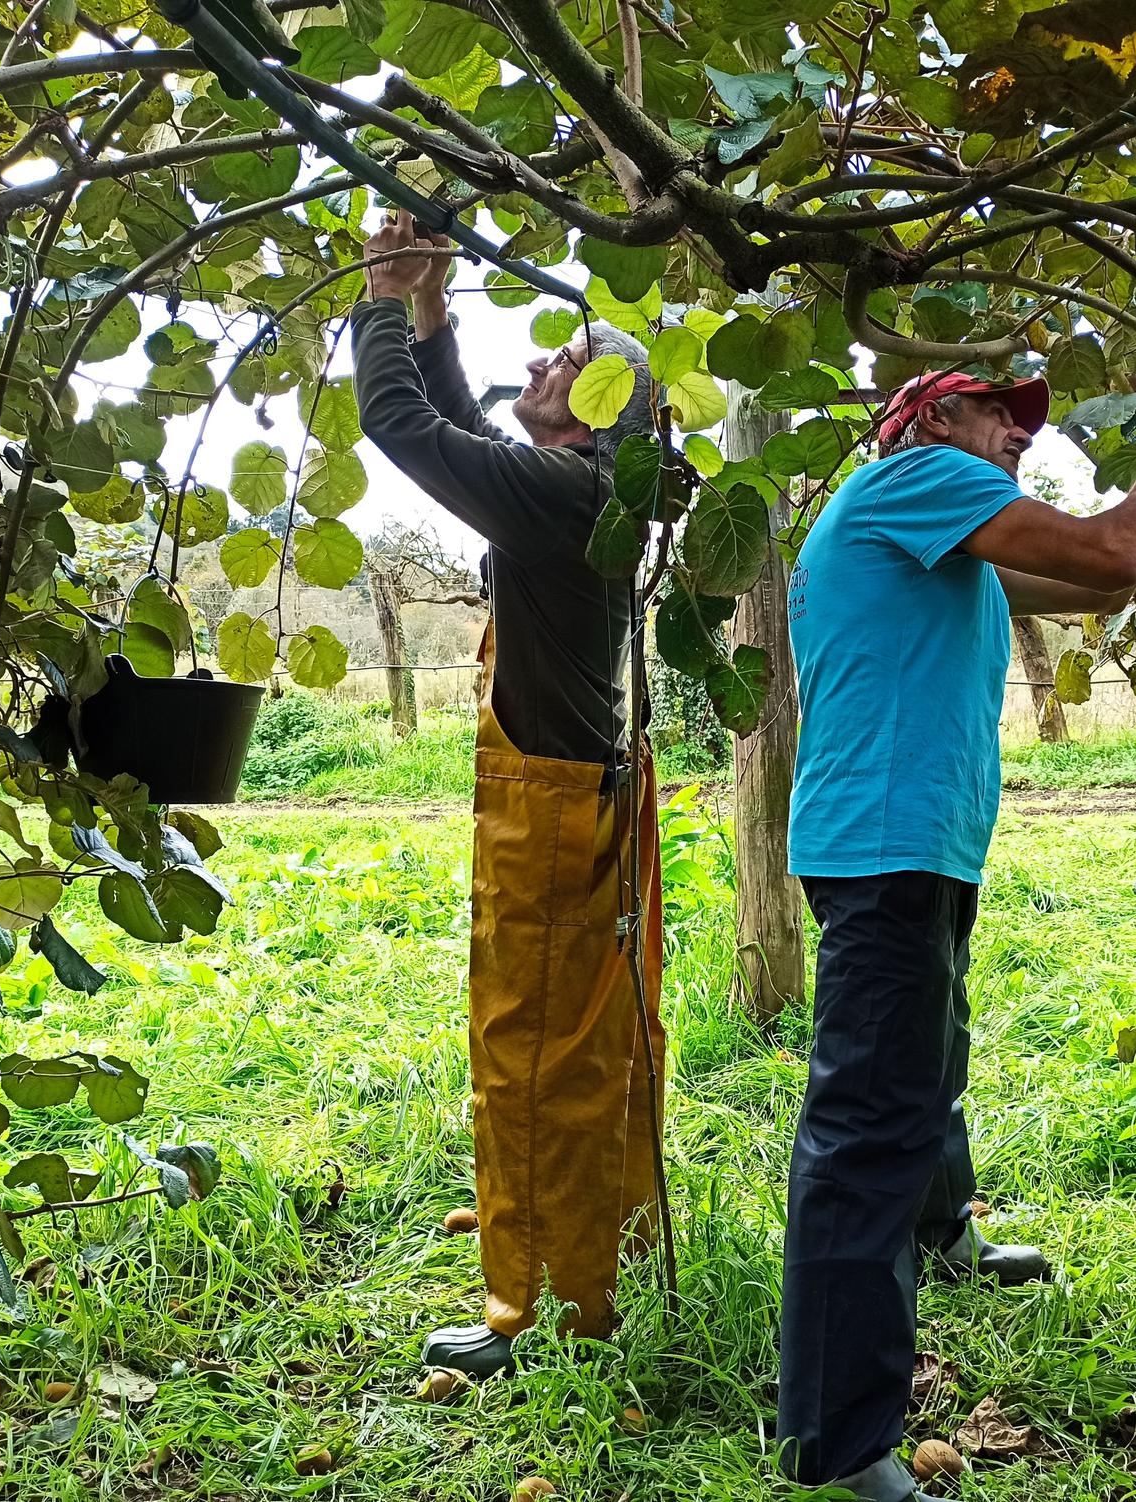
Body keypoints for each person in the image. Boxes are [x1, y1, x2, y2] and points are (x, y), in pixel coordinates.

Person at [778, 363, 1136, 1500]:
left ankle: (943, 1237)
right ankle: (837, 1447)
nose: (1015, 439)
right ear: (932, 419)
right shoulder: (915, 479)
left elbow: (1098, 583)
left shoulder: (942, 536)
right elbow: (1113, 554)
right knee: (867, 1127)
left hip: (907, 839)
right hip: (886, 841)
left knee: (927, 1059)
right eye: (1000, 416)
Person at [347, 210, 667, 1378]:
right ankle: (592, 1254)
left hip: (549, 818)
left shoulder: (563, 496)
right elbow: (459, 433)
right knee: (588, 1054)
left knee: (530, 1059)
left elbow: (401, 426)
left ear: (600, 421)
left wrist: (382, 292)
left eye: (568, 368)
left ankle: (530, 1308)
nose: (540, 366)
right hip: (583, 800)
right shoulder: (584, 491)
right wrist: (432, 307)